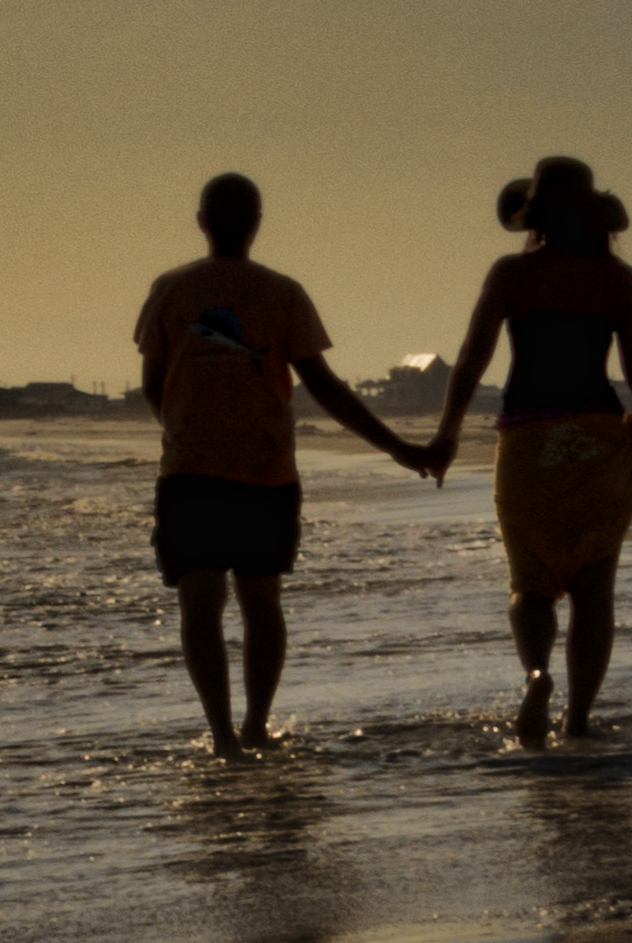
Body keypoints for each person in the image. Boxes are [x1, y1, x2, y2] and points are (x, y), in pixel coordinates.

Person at [135, 171, 437, 753]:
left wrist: (181, 433)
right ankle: (255, 726)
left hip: (190, 472)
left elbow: (154, 384)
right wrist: (399, 449)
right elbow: (326, 387)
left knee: (200, 600)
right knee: (261, 598)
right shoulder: (282, 292)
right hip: (266, 471)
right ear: (256, 225)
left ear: (201, 222)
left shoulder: (169, 288)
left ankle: (223, 737)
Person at [431, 155, 632, 743]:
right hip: (598, 440)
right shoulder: (618, 280)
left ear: (534, 218)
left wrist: (446, 433)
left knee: (530, 581)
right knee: (595, 591)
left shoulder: (513, 275)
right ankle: (577, 720)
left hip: (528, 440)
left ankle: (537, 673)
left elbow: (472, 358)